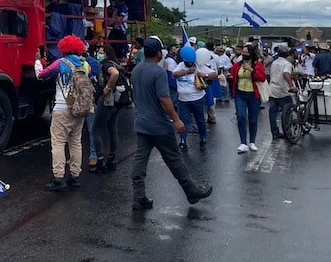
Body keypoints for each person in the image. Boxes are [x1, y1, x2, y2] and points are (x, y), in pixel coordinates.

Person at [130, 38, 212, 210]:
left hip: (142, 122)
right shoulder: (158, 72)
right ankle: (191, 191)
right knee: (174, 159)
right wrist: (176, 119)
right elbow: (164, 99)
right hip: (159, 125)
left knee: (140, 159)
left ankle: (139, 197)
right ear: (159, 53)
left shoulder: (136, 70)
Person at [36, 35, 91, 191]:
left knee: (58, 143)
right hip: (79, 109)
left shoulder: (61, 63)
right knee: (75, 142)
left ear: (64, 48)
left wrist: (37, 61)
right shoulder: (85, 65)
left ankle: (58, 177)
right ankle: (74, 176)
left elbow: (42, 75)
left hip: (62, 108)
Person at [172, 46, 212, 151]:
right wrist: (187, 71)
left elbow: (214, 74)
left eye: (191, 62)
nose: (189, 64)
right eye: (187, 62)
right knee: (184, 121)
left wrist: (204, 74)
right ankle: (183, 141)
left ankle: (203, 139)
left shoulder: (199, 65)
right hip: (183, 100)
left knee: (200, 121)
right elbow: (174, 74)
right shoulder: (180, 65)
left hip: (197, 98)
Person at [229, 44, 267, 153]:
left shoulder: (257, 64)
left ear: (251, 54)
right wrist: (229, 77)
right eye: (243, 52)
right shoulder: (237, 65)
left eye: (246, 52)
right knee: (241, 116)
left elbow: (262, 77)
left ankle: (252, 142)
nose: (244, 54)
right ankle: (243, 143)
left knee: (253, 119)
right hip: (240, 94)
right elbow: (232, 75)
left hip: (253, 95)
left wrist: (252, 70)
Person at [92, 44, 123, 172]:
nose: (98, 54)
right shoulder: (116, 63)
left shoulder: (106, 65)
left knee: (96, 130)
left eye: (100, 52)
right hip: (117, 101)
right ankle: (112, 159)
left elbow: (114, 74)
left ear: (105, 53)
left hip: (108, 101)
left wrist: (107, 88)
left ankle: (100, 162)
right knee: (112, 129)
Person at [268, 46, 297, 139]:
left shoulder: (274, 63)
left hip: (272, 89)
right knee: (287, 112)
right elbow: (285, 74)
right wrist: (291, 86)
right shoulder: (287, 64)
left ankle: (275, 132)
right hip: (283, 90)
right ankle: (288, 132)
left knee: (273, 112)